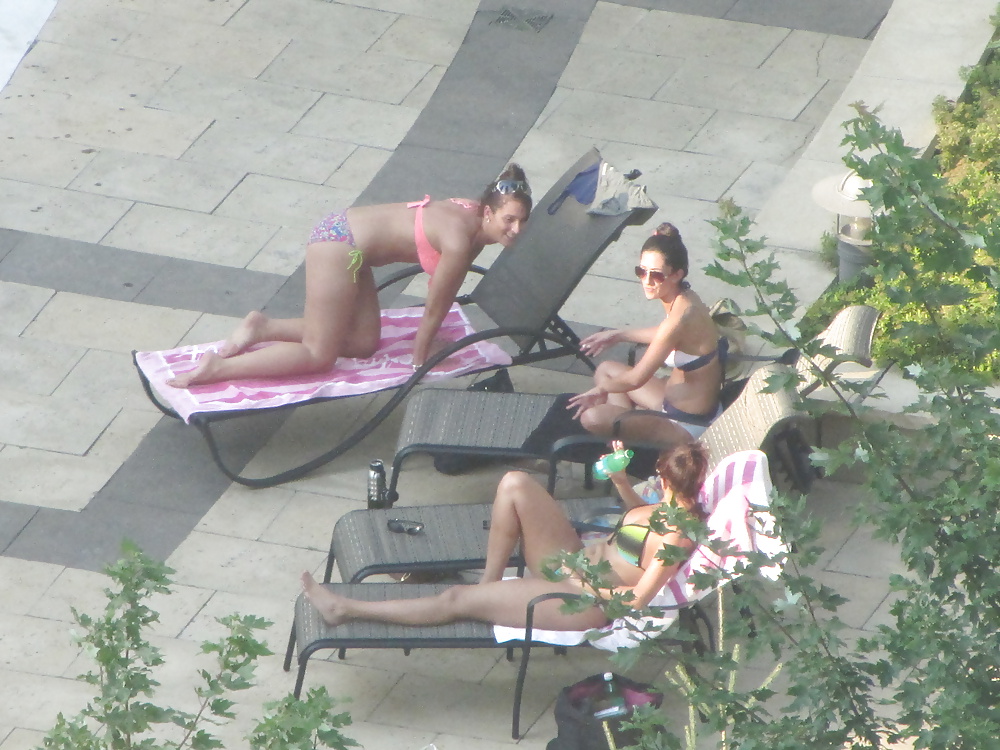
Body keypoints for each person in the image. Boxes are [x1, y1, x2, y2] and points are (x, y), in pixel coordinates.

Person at [167, 165, 533, 387]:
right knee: (318, 354)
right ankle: (220, 368)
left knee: (361, 344)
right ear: (488, 212)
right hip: (340, 244)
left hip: (353, 244)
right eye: (508, 219)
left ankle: (263, 328)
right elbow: (436, 306)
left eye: (521, 221)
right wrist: (420, 363)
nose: (516, 229)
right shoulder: (458, 241)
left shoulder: (473, 219)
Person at [301, 441, 708, 631]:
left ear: (671, 484)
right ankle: (491, 586)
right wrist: (621, 483)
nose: (655, 481)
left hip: (580, 597)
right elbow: (640, 516)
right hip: (573, 558)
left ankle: (346, 610)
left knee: (454, 600)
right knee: (515, 483)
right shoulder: (668, 507)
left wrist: (585, 586)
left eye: (660, 477)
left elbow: (637, 600)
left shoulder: (677, 538)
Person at [567, 222, 724, 444]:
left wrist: (600, 390)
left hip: (687, 424)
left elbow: (636, 379)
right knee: (606, 369)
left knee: (592, 418)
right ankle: (624, 432)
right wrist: (618, 334)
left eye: (656, 275)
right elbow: (666, 335)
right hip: (671, 403)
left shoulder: (680, 318)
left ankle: (625, 434)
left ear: (677, 274)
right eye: (641, 272)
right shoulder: (686, 298)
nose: (647, 281)